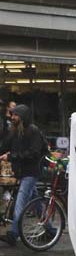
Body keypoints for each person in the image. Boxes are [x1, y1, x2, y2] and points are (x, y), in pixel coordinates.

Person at [0, 104, 46, 247]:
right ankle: (51, 229)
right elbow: (4, 145)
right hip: (21, 172)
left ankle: (14, 234)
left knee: (20, 203)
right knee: (36, 203)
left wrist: (11, 157)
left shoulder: (33, 131)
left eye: (16, 115)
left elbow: (34, 153)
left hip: (31, 172)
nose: (13, 117)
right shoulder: (14, 131)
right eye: (12, 115)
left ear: (23, 117)